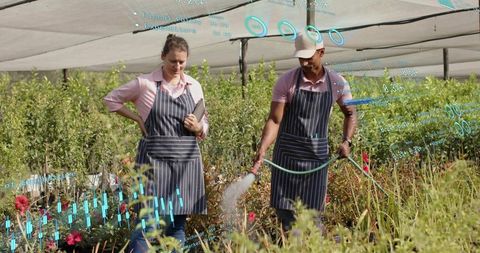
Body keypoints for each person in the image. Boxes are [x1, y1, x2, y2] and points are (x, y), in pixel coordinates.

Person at [103, 34, 208, 252]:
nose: (177, 66)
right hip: (154, 162)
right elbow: (110, 99)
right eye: (172, 61)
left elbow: (204, 123)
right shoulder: (146, 84)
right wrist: (137, 117)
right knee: (148, 224)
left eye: (182, 61)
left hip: (186, 162)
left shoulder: (194, 86)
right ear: (162, 57)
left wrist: (198, 128)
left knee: (177, 226)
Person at [250, 32, 357, 232]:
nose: (305, 62)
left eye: (309, 57)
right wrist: (263, 147)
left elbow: (350, 114)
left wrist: (347, 141)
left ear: (322, 52)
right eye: (301, 57)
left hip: (316, 160)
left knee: (313, 219)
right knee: (288, 218)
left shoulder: (337, 82)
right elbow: (275, 119)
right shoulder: (287, 81)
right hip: (286, 158)